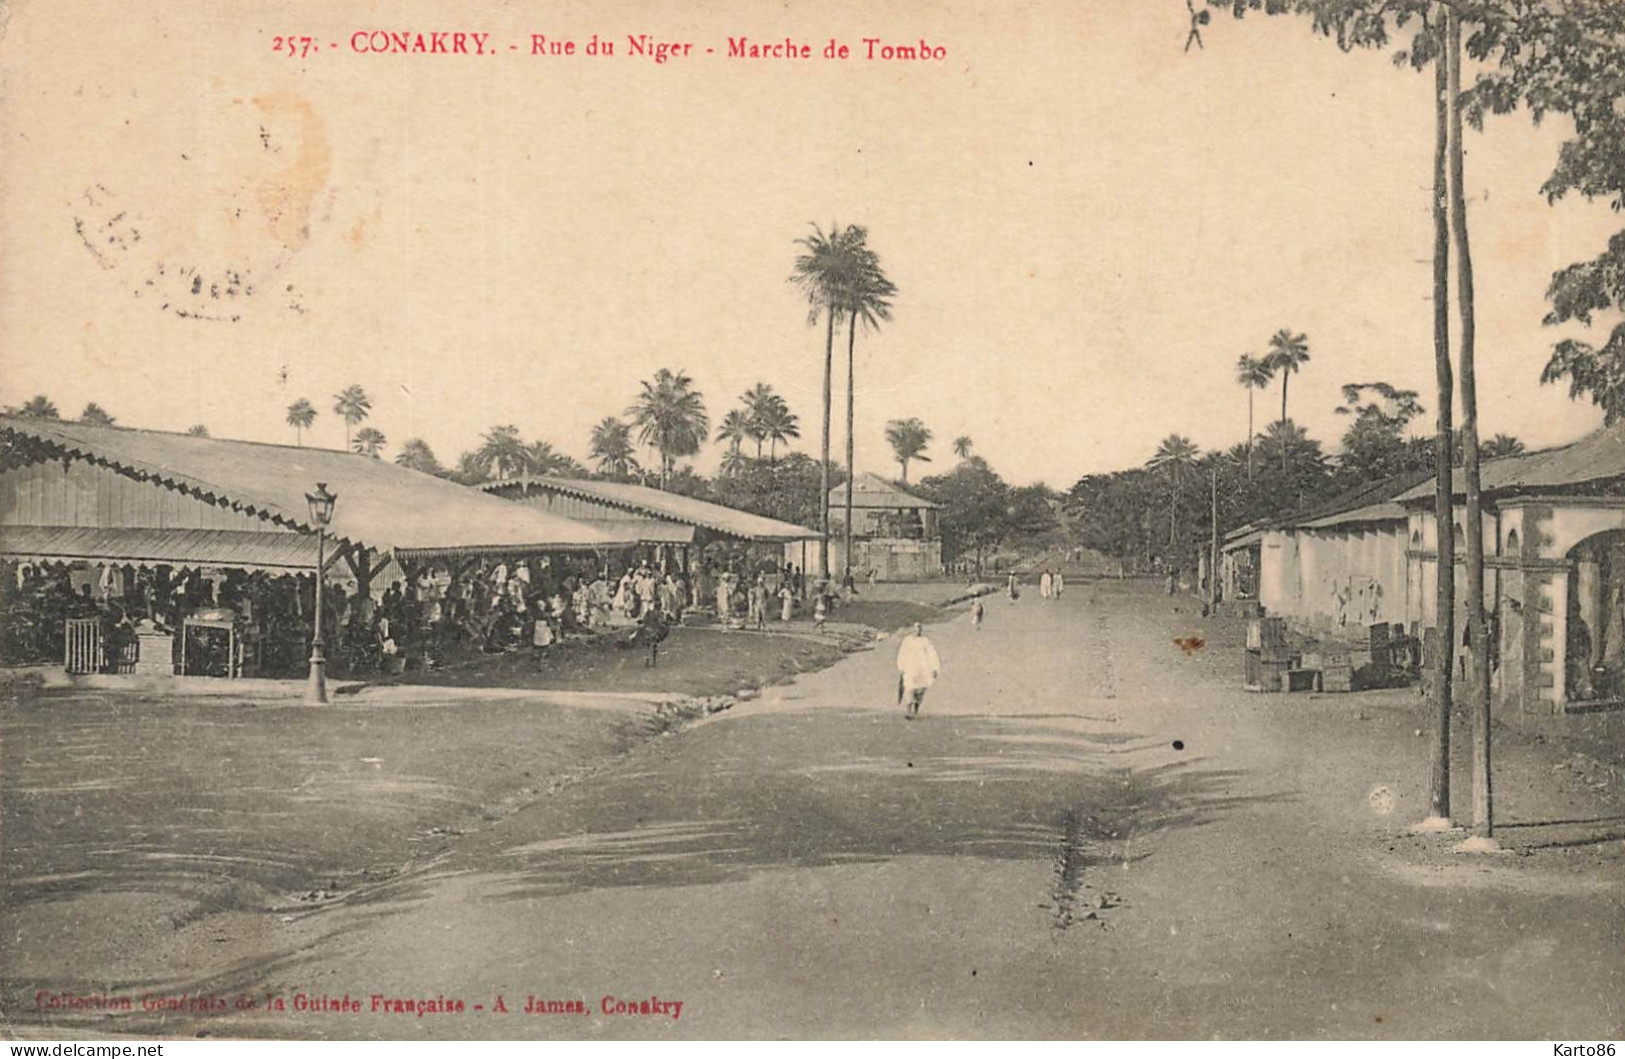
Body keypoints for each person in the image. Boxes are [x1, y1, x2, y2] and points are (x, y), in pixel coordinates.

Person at [895, 621, 941, 720]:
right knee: (909, 689)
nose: (917, 630)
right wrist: (901, 667)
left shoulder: (925, 641)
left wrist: (934, 668)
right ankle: (908, 711)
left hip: (923, 669)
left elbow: (932, 654)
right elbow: (902, 654)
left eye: (919, 628)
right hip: (910, 668)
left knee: (920, 690)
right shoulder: (907, 641)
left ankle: (915, 710)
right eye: (915, 628)